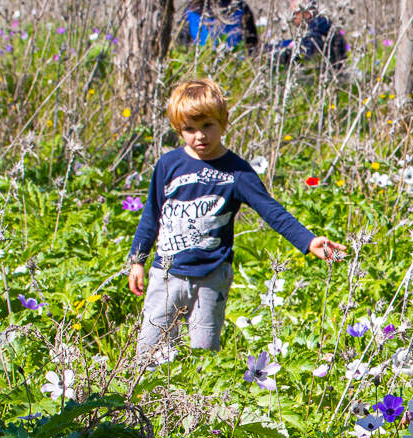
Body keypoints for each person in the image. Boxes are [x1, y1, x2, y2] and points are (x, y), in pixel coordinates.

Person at [127, 79, 345, 362]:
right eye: (189, 129)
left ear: (223, 121)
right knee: (148, 350)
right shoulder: (169, 165)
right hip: (166, 275)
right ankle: (148, 403)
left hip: (211, 276)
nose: (199, 136)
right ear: (178, 129)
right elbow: (151, 215)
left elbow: (271, 210)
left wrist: (308, 241)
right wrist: (137, 260)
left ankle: (198, 405)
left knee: (204, 355)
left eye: (207, 125)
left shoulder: (236, 173)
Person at [267, 0, 347, 67]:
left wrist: (282, 54)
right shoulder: (316, 24)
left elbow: (306, 51)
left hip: (329, 75)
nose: (292, 18)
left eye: (294, 13)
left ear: (307, 12)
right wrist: (272, 48)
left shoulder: (319, 25)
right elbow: (295, 43)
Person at [177, 0, 259, 51]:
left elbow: (182, 46)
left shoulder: (191, 9)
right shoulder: (240, 7)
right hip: (233, 64)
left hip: (201, 63)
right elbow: (252, 44)